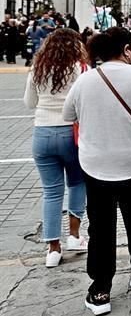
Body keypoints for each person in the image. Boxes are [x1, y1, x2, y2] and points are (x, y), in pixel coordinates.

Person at [62, 28, 131, 316]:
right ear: (128, 48)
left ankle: (101, 288)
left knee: (101, 226)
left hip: (96, 164)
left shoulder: (85, 80)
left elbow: (68, 115)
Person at [24, 28, 89, 267]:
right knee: (77, 183)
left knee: (51, 192)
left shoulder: (37, 69)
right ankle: (74, 236)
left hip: (42, 132)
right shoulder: (80, 69)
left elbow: (29, 103)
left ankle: (53, 248)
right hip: (70, 133)